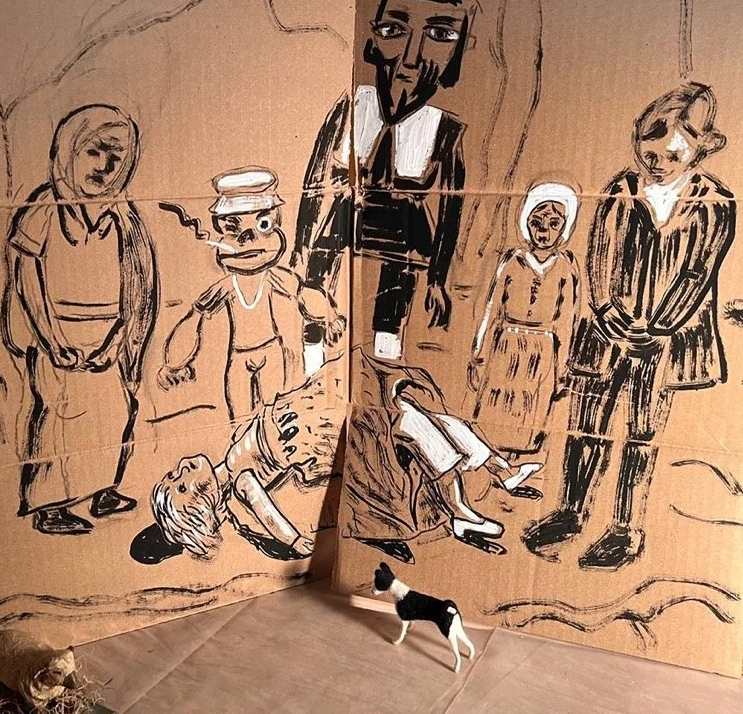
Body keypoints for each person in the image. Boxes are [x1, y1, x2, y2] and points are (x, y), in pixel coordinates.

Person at [523, 82, 736, 569]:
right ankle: (570, 511)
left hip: (664, 342)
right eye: (649, 149)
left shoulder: (715, 202)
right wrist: (607, 312)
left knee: (641, 432)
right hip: (607, 334)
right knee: (587, 424)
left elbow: (698, 273)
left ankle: (625, 529)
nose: (657, 161)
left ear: (700, 148)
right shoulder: (621, 190)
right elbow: (600, 257)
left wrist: (657, 328)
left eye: (673, 152)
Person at [292, 0, 476, 363]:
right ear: (371, 40)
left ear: (458, 54)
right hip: (343, 224)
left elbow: (451, 211)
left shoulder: (445, 130)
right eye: (393, 30)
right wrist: (300, 245)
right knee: (314, 305)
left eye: (440, 35)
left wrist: (438, 278)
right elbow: (313, 182)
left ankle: (385, 366)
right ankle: (313, 362)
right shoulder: (349, 108)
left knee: (388, 331)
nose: (411, 59)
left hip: (404, 237)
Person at [2, 104, 157, 536]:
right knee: (59, 417)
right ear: (68, 150)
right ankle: (49, 505)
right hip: (57, 332)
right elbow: (27, 278)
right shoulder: (45, 207)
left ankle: (101, 488)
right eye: (94, 151)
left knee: (116, 411)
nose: (104, 167)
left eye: (116, 159)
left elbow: (137, 282)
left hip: (107, 336)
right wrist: (51, 341)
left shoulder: (122, 214)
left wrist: (118, 341)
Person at [158, 167, 345, 419]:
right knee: (241, 418)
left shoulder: (278, 278)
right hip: (239, 356)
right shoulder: (224, 288)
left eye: (262, 225)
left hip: (271, 352)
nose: (248, 239)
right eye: (233, 228)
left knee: (274, 414)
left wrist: (330, 318)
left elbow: (306, 297)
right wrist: (173, 363)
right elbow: (193, 320)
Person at [135, 369, 340, 563]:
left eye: (172, 475)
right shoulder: (240, 480)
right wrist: (293, 540)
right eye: (182, 487)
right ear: (204, 507)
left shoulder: (230, 461)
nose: (182, 470)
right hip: (294, 431)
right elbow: (265, 510)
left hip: (286, 414)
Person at [467, 182, 580, 501]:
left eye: (553, 224)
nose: (544, 231)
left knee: (528, 416)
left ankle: (512, 471)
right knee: (495, 412)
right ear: (526, 222)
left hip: (541, 352)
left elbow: (566, 321)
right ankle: (492, 471)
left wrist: (562, 368)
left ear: (564, 227)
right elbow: (492, 309)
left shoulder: (565, 267)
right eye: (537, 222)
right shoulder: (512, 260)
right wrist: (479, 353)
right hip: (507, 346)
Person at [343, 348, 505, 565]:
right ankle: (459, 510)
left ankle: (466, 503)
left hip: (377, 392)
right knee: (416, 425)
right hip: (363, 405)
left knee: (445, 424)